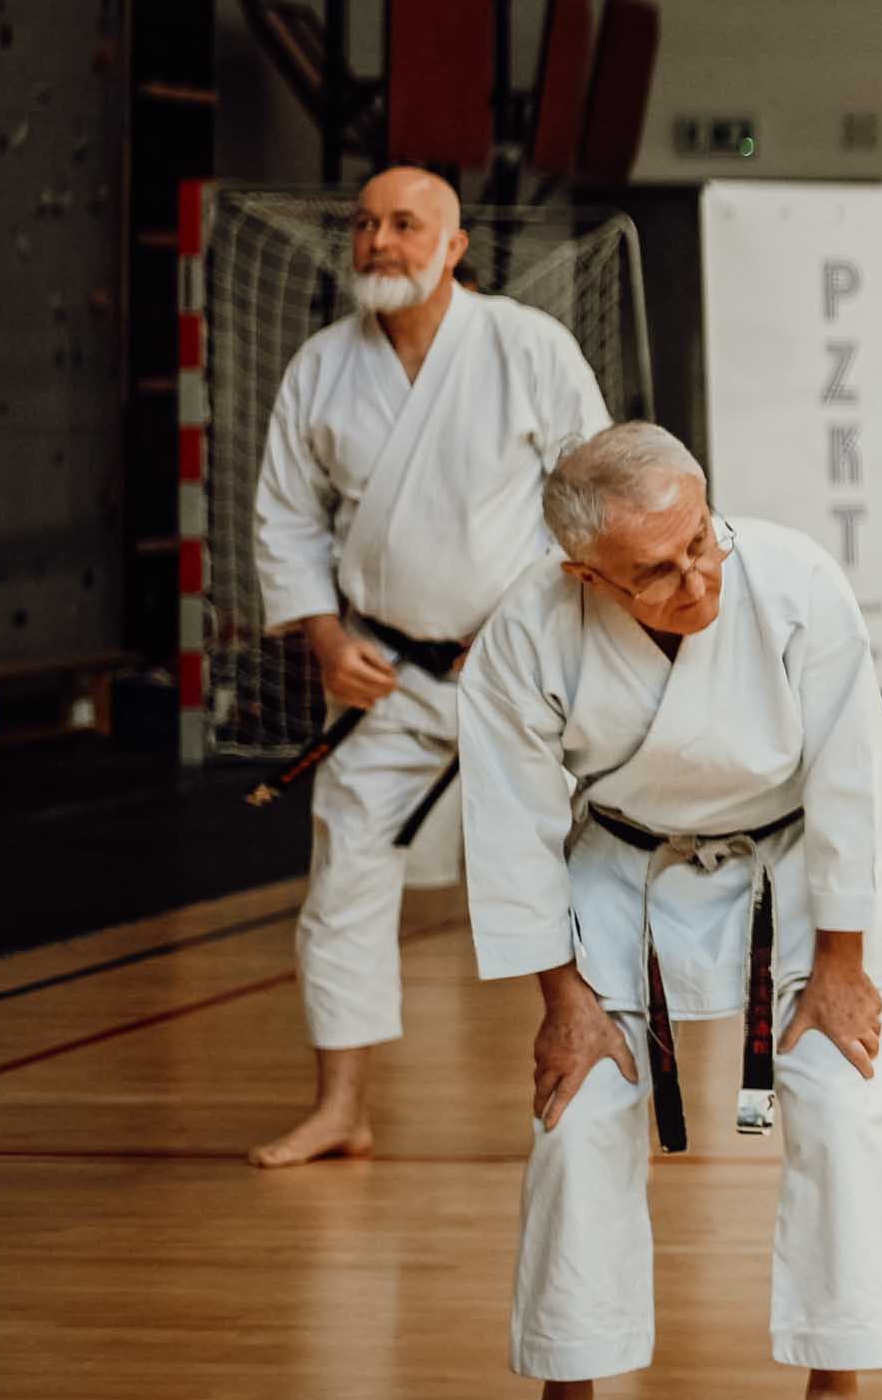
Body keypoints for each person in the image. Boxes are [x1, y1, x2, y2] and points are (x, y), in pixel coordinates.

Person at [457, 425, 882, 1400]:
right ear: (585, 575)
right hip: (623, 869)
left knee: (845, 1100)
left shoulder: (798, 582)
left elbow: (855, 781)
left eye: (702, 543)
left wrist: (847, 963)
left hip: (799, 867)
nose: (697, 578)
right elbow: (512, 828)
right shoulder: (528, 634)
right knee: (573, 1119)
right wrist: (561, 996)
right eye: (656, 571)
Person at [243, 166, 613, 1168]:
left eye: (406, 224)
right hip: (387, 671)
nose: (380, 242)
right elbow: (285, 517)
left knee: (592, 866)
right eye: (365, 224)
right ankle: (341, 1106)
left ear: (453, 247)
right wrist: (324, 640)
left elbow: (594, 489)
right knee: (345, 882)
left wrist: (562, 623)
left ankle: (612, 1069)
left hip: (525, 666)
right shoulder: (323, 367)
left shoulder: (524, 346)